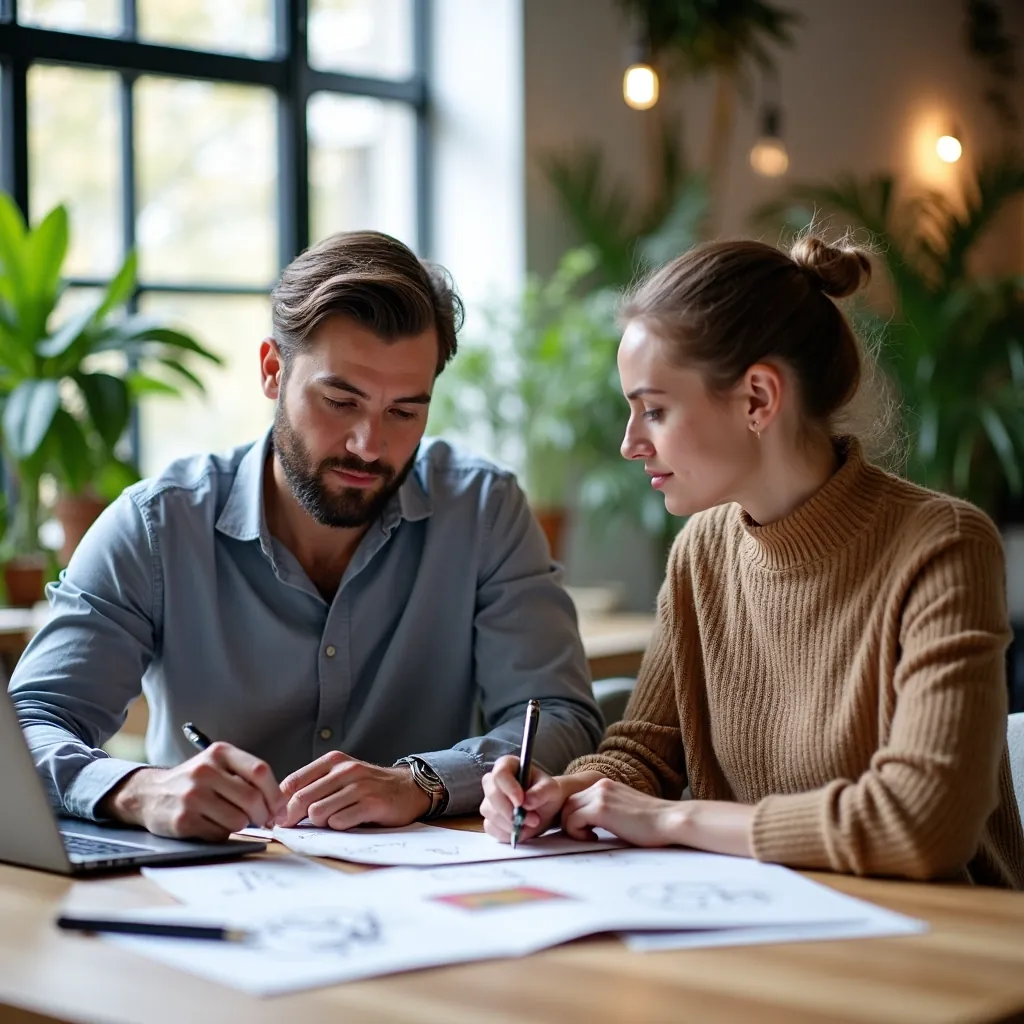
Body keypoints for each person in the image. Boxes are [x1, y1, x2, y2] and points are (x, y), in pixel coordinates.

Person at [10, 230, 602, 841]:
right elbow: (32, 719)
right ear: (272, 371)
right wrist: (136, 789)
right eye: (340, 401)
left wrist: (422, 782)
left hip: (429, 899)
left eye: (404, 412)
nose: (369, 445)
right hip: (208, 893)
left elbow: (559, 717)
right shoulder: (158, 526)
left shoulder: (484, 510)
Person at [481, 236, 1024, 889]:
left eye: (654, 409)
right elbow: (642, 756)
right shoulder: (702, 552)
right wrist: (565, 792)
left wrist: (675, 821)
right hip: (767, 934)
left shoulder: (943, 545)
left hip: (944, 948)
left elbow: (921, 825)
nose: (631, 443)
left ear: (759, 399)